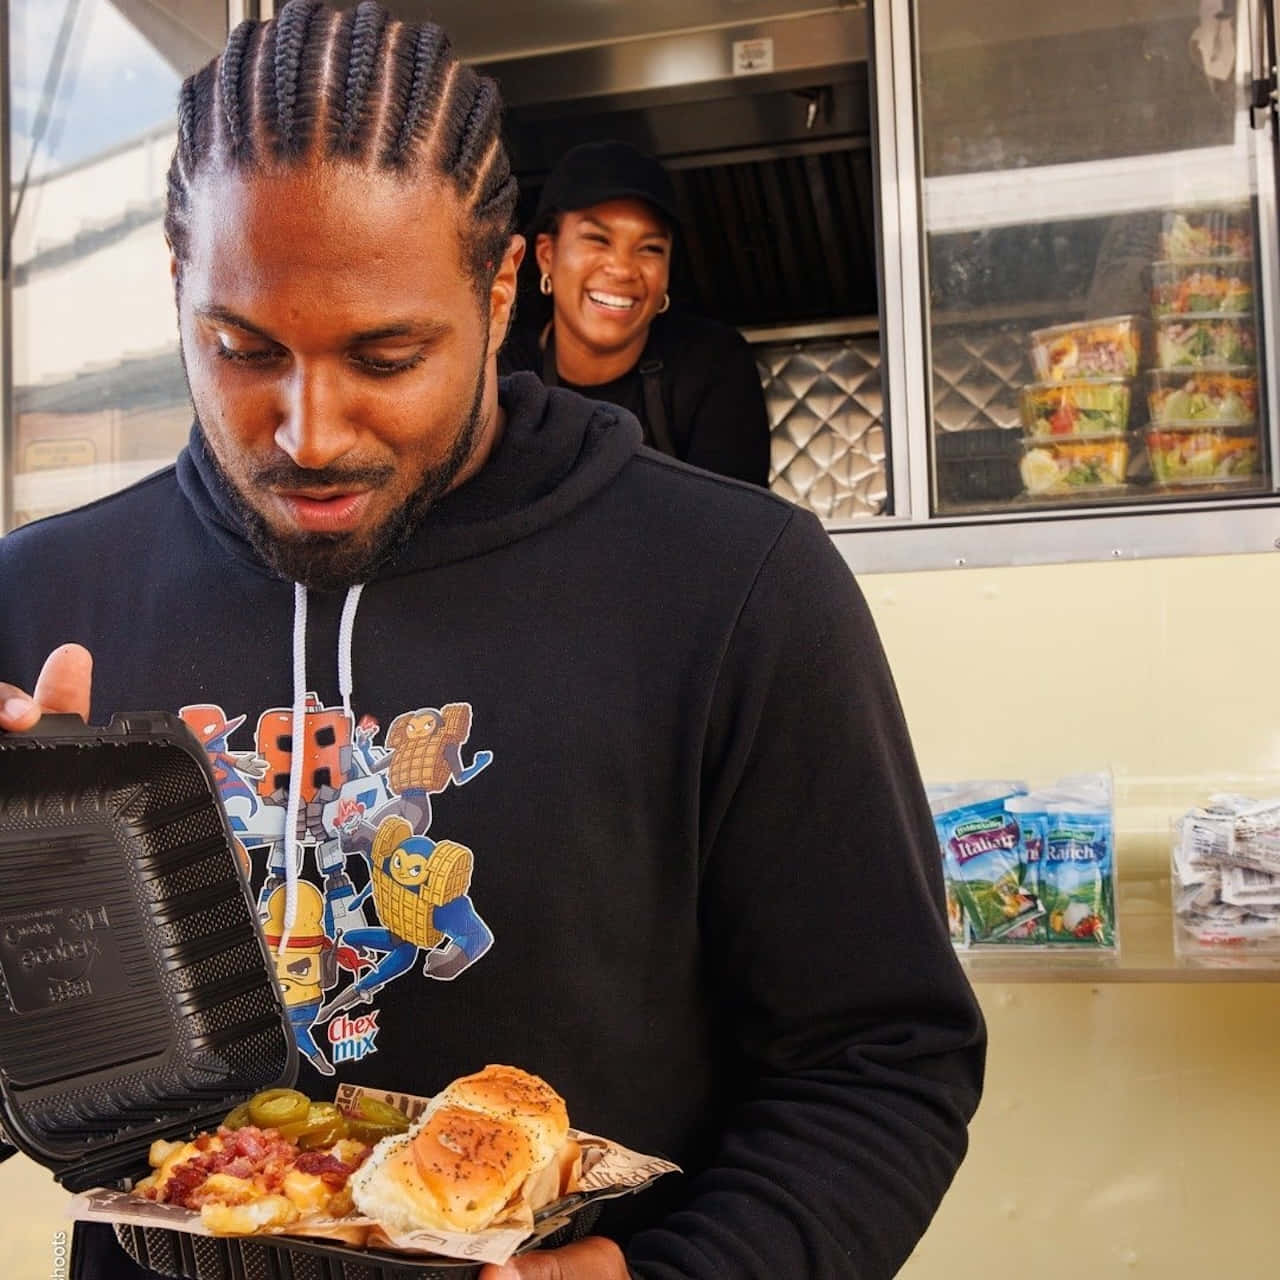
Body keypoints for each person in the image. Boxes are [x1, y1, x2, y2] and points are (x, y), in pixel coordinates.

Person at [0, 4, 984, 1278]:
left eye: (387, 352)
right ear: (177, 286)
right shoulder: (43, 596)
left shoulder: (734, 584)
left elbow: (880, 1061)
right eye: (242, 348)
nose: (307, 429)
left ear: (502, 288)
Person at [500, 140, 773, 486]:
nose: (623, 269)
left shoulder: (713, 364)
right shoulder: (501, 370)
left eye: (650, 248)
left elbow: (737, 527)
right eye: (598, 239)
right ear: (546, 256)